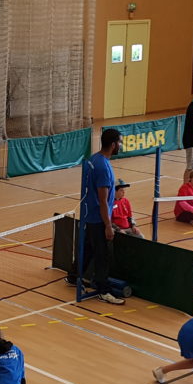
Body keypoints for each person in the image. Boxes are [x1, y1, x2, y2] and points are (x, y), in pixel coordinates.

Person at [76, 128, 126, 305]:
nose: (120, 145)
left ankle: (73, 276)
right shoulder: (103, 167)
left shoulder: (94, 159)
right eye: (119, 142)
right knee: (102, 255)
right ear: (113, 145)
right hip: (98, 218)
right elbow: (103, 200)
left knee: (88, 249)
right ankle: (103, 291)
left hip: (88, 214)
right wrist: (108, 225)